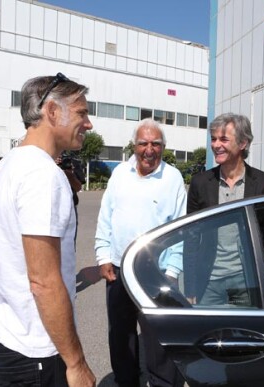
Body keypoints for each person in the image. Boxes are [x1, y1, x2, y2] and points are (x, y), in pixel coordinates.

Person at [0, 73, 96, 386]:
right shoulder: (43, 175)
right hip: (32, 352)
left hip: (0, 336)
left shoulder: (4, 167)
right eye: (82, 113)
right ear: (52, 112)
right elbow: (43, 281)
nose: (89, 124)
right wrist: (76, 363)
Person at [94, 118, 187, 387]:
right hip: (119, 268)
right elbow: (105, 217)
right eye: (143, 143)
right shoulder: (120, 174)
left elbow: (179, 228)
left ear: (163, 147)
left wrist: (172, 271)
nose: (149, 149)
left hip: (156, 271)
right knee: (120, 334)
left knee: (157, 334)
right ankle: (127, 381)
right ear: (134, 146)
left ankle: (162, 383)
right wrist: (103, 257)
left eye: (155, 143)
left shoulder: (173, 178)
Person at [185, 113, 264, 306]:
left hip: (247, 281)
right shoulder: (200, 183)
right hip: (208, 282)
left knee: (246, 335)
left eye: (224, 139)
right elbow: (191, 238)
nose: (216, 145)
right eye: (213, 139)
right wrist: (190, 286)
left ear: (243, 143)